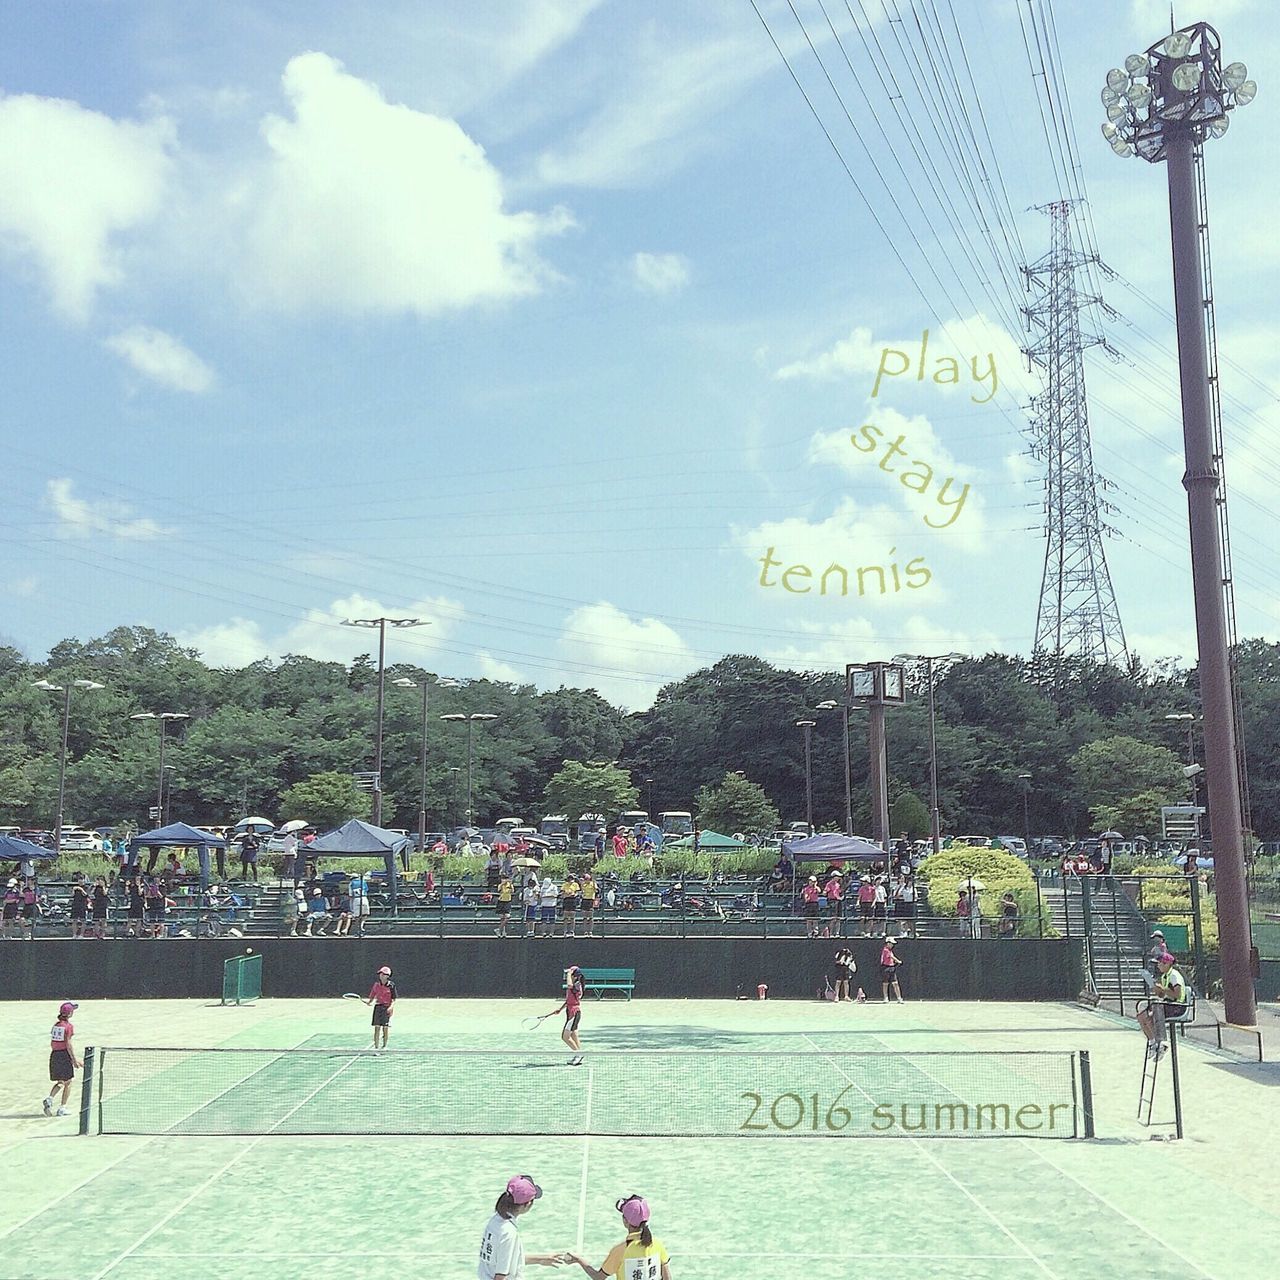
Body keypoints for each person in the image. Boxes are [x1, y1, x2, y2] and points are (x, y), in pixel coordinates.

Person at [477, 1175, 566, 1279]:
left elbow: (508, 1259)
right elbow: (500, 1276)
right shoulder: (509, 1233)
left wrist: (541, 1259)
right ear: (527, 1204)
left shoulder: (495, 1221)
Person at [569, 1194, 672, 1280]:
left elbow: (598, 1277)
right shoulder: (658, 1245)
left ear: (625, 1222)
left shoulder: (620, 1250)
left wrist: (580, 1260)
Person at [1137, 952, 1187, 1057]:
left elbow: (1177, 995)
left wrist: (1163, 989)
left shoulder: (1174, 976)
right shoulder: (1164, 976)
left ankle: (1161, 1043)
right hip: (1168, 1003)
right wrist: (1156, 988)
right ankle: (1153, 1043)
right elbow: (1161, 995)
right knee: (1142, 1016)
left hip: (1177, 1006)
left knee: (1154, 1012)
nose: (1158, 966)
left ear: (1167, 964)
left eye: (1160, 963)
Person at [42, 1001, 81, 1117]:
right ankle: (62, 1108)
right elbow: (68, 1044)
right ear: (69, 1014)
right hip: (64, 1055)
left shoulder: (56, 1026)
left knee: (60, 1082)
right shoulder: (68, 1027)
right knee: (68, 1082)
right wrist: (74, 1060)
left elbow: (52, 1043)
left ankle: (50, 1098)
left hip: (54, 1054)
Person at [556, 965, 585, 1067]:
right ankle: (578, 1054)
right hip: (571, 1011)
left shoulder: (577, 984)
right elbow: (569, 1000)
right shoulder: (574, 985)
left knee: (565, 1037)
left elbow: (569, 985)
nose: (567, 975)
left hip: (573, 1013)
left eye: (570, 974)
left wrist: (569, 973)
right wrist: (560, 1009)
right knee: (573, 1034)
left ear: (575, 976)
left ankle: (578, 1054)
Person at [366, 964, 396, 1050]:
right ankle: (376, 1047)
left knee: (385, 1028)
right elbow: (372, 995)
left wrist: (391, 1007)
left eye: (383, 974)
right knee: (377, 1028)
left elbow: (394, 999)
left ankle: (384, 1046)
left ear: (387, 976)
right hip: (378, 1007)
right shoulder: (376, 985)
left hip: (387, 1008)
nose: (381, 975)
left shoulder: (391, 985)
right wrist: (369, 1002)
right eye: (380, 974)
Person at [880, 936, 905, 1003]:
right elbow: (892, 957)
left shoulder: (890, 951)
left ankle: (899, 998)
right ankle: (886, 998)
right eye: (891, 943)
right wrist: (898, 961)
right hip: (886, 968)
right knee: (885, 984)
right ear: (887, 943)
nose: (892, 945)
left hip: (892, 968)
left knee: (895, 983)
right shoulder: (885, 950)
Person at [561, 873, 581, 939]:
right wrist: (566, 895)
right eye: (569, 878)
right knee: (565, 917)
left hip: (572, 900)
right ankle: (565, 931)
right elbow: (562, 893)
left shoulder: (575, 885)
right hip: (566, 900)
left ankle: (572, 931)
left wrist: (572, 895)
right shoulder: (564, 885)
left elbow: (577, 893)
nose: (570, 880)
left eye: (571, 878)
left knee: (572, 917)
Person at [494, 873, 514, 938]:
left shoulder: (510, 885)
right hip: (501, 901)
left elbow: (512, 891)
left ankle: (499, 929)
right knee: (502, 918)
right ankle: (502, 932)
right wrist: (502, 883)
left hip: (507, 901)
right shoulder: (500, 885)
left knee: (507, 917)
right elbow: (498, 890)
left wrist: (510, 885)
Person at [580, 872, 598, 938]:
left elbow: (596, 890)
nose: (586, 880)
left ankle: (590, 931)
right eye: (585, 879)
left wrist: (594, 883)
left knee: (590, 917)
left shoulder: (593, 883)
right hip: (584, 900)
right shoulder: (583, 884)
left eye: (587, 879)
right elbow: (581, 891)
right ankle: (585, 931)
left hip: (590, 900)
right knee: (584, 917)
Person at [524, 874, 541, 939]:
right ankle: (528, 931)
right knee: (528, 919)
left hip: (533, 905)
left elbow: (536, 898)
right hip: (528, 906)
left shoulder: (536, 889)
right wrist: (526, 901)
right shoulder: (526, 890)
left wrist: (535, 893)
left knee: (532, 919)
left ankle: (532, 931)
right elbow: (524, 898)